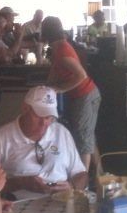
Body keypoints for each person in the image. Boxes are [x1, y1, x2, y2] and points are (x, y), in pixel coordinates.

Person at [0, 86, 87, 194]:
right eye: (39, 115)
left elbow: (81, 174)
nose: (44, 123)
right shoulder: (0, 139)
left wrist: (72, 186)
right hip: (17, 205)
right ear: (25, 108)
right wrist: (19, 183)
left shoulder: (61, 133)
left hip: (60, 203)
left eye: (49, 117)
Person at [41, 16, 101, 171]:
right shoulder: (58, 48)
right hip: (85, 95)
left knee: (83, 138)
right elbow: (55, 70)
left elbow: (81, 75)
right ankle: (100, 174)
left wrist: (61, 89)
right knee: (88, 135)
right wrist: (47, 86)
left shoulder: (61, 50)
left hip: (86, 95)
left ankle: (83, 180)